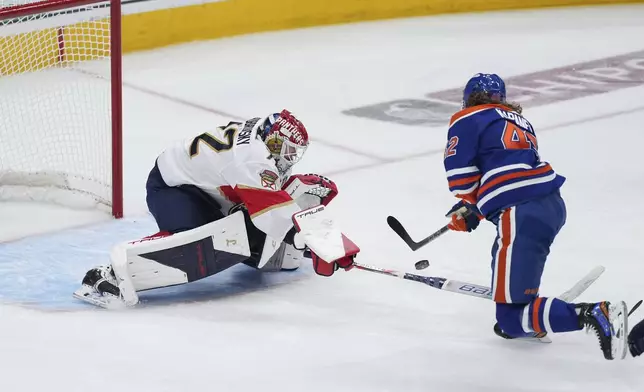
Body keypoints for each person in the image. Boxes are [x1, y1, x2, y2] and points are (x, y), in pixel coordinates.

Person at [74, 109, 352, 308]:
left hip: (207, 186)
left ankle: (265, 250)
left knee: (248, 232)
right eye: (289, 151)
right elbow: (271, 217)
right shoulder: (252, 159)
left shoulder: (261, 137)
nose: (291, 159)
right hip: (171, 187)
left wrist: (308, 239)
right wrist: (311, 241)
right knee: (198, 241)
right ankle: (108, 272)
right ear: (275, 142)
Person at [443, 74, 628, 360]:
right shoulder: (519, 121)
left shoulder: (467, 117)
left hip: (521, 211)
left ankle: (595, 313)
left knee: (509, 319)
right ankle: (532, 316)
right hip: (550, 204)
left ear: (469, 98)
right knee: (505, 269)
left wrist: (468, 206)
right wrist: (478, 210)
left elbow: (462, 181)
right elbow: (510, 171)